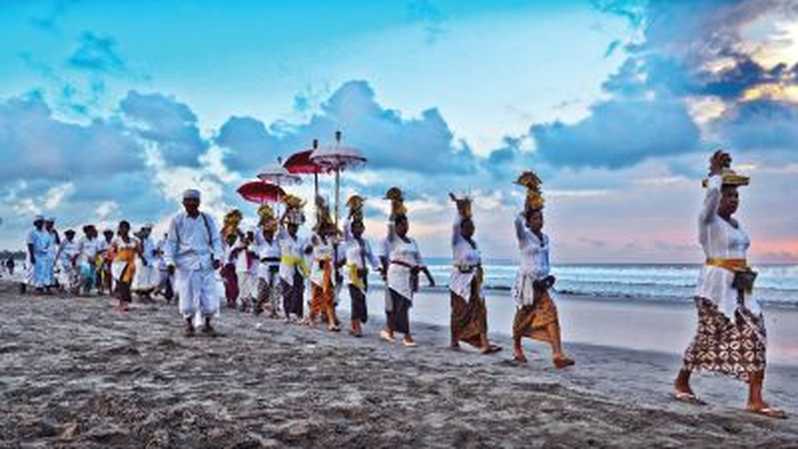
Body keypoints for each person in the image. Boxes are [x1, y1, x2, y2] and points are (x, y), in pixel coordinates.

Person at [673, 150, 785, 418]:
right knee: (709, 336)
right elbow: (710, 198)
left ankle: (755, 399)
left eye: (736, 195)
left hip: (741, 287)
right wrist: (715, 174)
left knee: (757, 335)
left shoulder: (735, 224)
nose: (734, 200)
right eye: (728, 195)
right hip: (714, 289)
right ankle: (682, 381)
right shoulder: (708, 221)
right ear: (717, 198)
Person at [511, 171, 574, 368]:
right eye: (536, 218)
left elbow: (545, 260)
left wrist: (549, 277)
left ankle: (557, 354)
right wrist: (527, 207)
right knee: (522, 318)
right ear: (529, 221)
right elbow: (516, 222)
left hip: (542, 284)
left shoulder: (545, 238)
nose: (540, 221)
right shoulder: (524, 237)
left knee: (551, 314)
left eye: (541, 218)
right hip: (528, 284)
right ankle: (517, 347)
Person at [164, 189, 224, 337]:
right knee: (187, 296)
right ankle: (189, 324)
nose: (191, 203)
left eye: (194, 200)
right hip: (185, 263)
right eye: (188, 200)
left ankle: (208, 323)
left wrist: (217, 256)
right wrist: (169, 261)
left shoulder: (207, 219)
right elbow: (171, 242)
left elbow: (216, 240)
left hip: (205, 262)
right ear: (183, 203)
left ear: (199, 202)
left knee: (209, 295)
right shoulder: (177, 220)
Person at [448, 194, 501, 354]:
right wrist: (460, 211)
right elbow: (455, 227)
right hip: (460, 282)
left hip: (475, 281)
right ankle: (454, 340)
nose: (471, 229)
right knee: (459, 312)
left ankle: (484, 343)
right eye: (468, 227)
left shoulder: (474, 243)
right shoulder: (457, 241)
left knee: (480, 310)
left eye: (473, 227)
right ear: (462, 228)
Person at [382, 188, 435, 347]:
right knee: (401, 305)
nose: (406, 227)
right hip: (396, 276)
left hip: (409, 277)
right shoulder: (393, 239)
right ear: (397, 226)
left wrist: (429, 276)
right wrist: (394, 207)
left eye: (407, 224)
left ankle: (390, 330)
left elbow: (419, 259)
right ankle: (407, 336)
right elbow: (390, 224)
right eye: (403, 224)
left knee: (403, 306)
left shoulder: (412, 241)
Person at [343, 195, 381, 337]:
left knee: (361, 299)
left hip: (363, 274)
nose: (358, 229)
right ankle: (357, 327)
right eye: (355, 227)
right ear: (352, 229)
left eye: (360, 227)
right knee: (356, 299)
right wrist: (350, 214)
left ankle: (355, 325)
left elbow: (371, 257)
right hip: (352, 275)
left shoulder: (365, 242)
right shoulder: (348, 241)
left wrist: (379, 268)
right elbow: (344, 227)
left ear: (363, 228)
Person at [305, 197, 343, 331]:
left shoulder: (330, 240)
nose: (325, 230)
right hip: (317, 270)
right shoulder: (315, 238)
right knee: (317, 296)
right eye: (324, 228)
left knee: (329, 296)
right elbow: (316, 230)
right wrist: (322, 211)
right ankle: (311, 317)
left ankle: (331, 322)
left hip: (328, 269)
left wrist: (329, 216)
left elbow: (340, 234)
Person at [279, 195, 310, 323]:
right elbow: (280, 223)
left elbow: (305, 251)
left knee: (298, 290)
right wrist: (287, 210)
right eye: (291, 226)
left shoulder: (301, 239)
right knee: (288, 291)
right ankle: (287, 314)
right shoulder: (283, 237)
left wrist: (308, 250)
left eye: (295, 227)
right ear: (288, 227)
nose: (293, 228)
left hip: (298, 267)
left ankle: (297, 313)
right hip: (286, 267)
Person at [254, 205, 282, 318]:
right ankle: (258, 306)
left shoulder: (276, 241)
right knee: (263, 289)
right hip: (265, 266)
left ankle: (273, 311)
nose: (269, 234)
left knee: (276, 289)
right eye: (267, 232)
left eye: (271, 232)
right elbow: (256, 232)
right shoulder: (261, 241)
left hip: (277, 266)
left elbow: (281, 230)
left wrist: (279, 219)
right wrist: (263, 219)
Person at [111, 221, 140, 311]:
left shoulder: (134, 241)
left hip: (130, 265)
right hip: (118, 265)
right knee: (121, 284)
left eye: (125, 228)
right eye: (122, 228)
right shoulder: (116, 241)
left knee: (127, 284)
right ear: (119, 229)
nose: (123, 230)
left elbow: (139, 251)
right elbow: (112, 252)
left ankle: (125, 303)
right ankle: (123, 303)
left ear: (128, 229)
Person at [132, 224, 160, 301]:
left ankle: (147, 294)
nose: (149, 232)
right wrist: (143, 258)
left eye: (150, 230)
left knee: (150, 279)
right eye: (147, 230)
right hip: (142, 261)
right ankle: (140, 295)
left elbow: (152, 250)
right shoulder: (139, 240)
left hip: (150, 261)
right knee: (141, 279)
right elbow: (139, 251)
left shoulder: (150, 240)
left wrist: (156, 252)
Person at [26, 215, 54, 294]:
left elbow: (49, 243)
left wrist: (45, 250)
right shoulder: (31, 232)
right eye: (39, 222)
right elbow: (30, 244)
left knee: (45, 271)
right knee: (36, 272)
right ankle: (38, 288)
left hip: (44, 254)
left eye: (42, 222)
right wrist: (32, 256)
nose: (40, 224)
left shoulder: (46, 233)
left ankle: (45, 287)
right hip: (35, 254)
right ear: (35, 223)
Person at [233, 228, 259, 312]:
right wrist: (243, 246)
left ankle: (248, 305)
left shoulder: (255, 244)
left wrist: (250, 250)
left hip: (252, 269)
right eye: (248, 234)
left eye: (251, 234)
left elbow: (258, 255)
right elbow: (233, 252)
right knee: (242, 287)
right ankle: (242, 304)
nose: (250, 236)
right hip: (241, 267)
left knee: (250, 288)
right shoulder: (239, 242)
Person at [77, 225, 102, 295]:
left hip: (93, 260)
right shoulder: (82, 240)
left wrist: (95, 258)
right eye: (89, 231)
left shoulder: (96, 241)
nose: (91, 232)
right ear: (86, 231)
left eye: (92, 231)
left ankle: (86, 290)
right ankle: (78, 287)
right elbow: (78, 250)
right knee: (85, 276)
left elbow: (98, 251)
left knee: (91, 277)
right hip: (84, 260)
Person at [55, 229, 82, 295]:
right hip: (63, 261)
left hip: (72, 261)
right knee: (63, 275)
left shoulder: (75, 243)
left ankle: (71, 289)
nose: (71, 236)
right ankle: (64, 288)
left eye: (72, 235)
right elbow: (59, 251)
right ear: (66, 235)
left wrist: (74, 258)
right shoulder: (63, 242)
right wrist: (56, 260)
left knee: (72, 275)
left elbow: (77, 252)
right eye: (69, 234)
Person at [155, 233, 174, 302]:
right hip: (162, 265)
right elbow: (155, 252)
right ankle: (156, 293)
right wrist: (160, 253)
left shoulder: (174, 243)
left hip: (171, 265)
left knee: (170, 282)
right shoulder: (161, 242)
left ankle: (168, 297)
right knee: (162, 282)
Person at [97, 229, 115, 295]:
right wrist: (106, 251)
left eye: (110, 234)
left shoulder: (113, 242)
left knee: (109, 275)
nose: (109, 236)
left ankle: (110, 289)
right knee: (103, 274)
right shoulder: (102, 242)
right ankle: (101, 289)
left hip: (111, 260)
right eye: (107, 234)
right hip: (103, 260)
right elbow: (98, 251)